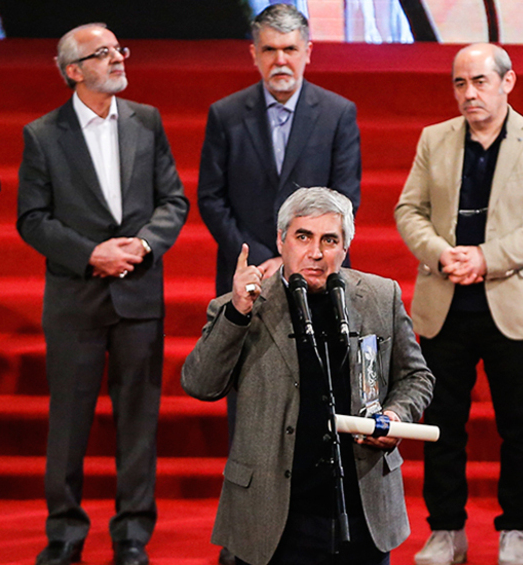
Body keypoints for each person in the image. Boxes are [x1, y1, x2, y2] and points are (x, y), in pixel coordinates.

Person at [182, 187, 434, 565]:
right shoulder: (244, 305)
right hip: (272, 518)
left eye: (329, 240)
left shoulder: (381, 297)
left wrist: (395, 415)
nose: (315, 252)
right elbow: (200, 384)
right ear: (281, 241)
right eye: (303, 237)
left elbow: (416, 376)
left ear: (345, 247)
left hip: (362, 510)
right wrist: (237, 313)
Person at [16, 23, 188, 565]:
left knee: (139, 421)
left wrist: (143, 244)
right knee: (69, 422)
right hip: (77, 298)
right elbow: (32, 219)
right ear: (73, 70)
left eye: (119, 50)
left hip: (139, 295)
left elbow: (174, 200)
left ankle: (132, 532)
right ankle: (65, 532)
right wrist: (92, 254)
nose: (118, 59)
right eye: (103, 53)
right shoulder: (42, 134)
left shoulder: (146, 120)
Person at [394, 43, 523, 565]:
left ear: (507, 82)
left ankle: (516, 526)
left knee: (521, 424)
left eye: (480, 82)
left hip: (512, 302)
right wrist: (440, 252)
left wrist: (486, 259)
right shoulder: (435, 138)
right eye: (460, 83)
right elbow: (409, 209)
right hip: (445, 300)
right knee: (442, 422)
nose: (469, 93)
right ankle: (446, 529)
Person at [198, 7, 360, 562]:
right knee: (248, 411)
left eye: (290, 49)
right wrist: (266, 259)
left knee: (310, 400)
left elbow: (346, 196)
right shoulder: (226, 114)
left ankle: (310, 522)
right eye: (269, 50)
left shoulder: (337, 113)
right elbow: (211, 196)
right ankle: (247, 534)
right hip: (250, 280)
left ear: (308, 52)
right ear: (254, 54)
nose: (281, 60)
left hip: (317, 283)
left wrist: (299, 256)